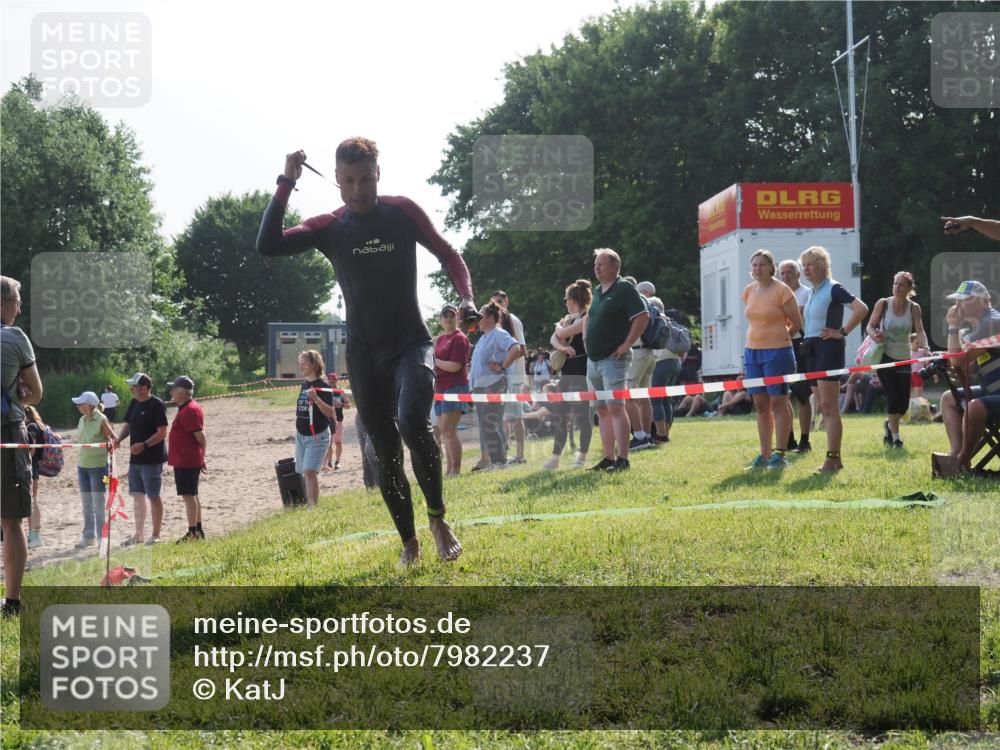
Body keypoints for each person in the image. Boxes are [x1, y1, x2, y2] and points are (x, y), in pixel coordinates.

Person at [257, 137, 472, 565]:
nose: (358, 190)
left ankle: (437, 518)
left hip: (411, 344)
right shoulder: (329, 227)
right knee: (385, 451)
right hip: (364, 355)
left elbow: (449, 254)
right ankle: (409, 541)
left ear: (379, 175)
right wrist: (286, 181)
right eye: (350, 181)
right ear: (337, 178)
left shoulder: (402, 211)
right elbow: (268, 244)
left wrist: (466, 298)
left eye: (366, 179)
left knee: (412, 422)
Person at [799, 246, 869, 473]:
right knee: (822, 405)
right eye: (804, 265)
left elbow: (861, 309)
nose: (806, 269)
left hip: (828, 349)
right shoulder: (812, 292)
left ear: (822, 266)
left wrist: (843, 332)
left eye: (810, 264)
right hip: (811, 349)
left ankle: (833, 459)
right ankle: (833, 458)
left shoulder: (833, 288)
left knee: (829, 407)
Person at [584, 249, 650, 472]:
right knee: (602, 410)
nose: (596, 268)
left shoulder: (624, 288)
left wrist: (626, 344)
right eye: (595, 264)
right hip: (594, 360)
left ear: (615, 266)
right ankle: (608, 458)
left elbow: (642, 317)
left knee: (616, 408)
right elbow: (590, 319)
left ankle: (623, 459)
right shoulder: (597, 291)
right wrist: (586, 339)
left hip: (614, 359)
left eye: (601, 264)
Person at [1, 276, 43, 618]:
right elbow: (37, 393)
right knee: (12, 521)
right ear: (2, 304)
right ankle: (12, 604)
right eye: (16, 301)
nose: (19, 308)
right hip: (6, 432)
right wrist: (20, 395)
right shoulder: (14, 337)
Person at [741, 250, 804, 470]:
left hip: (778, 352)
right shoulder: (749, 291)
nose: (757, 268)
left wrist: (783, 336)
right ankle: (764, 455)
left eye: (762, 264)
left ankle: (780, 454)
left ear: (771, 267)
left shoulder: (782, 290)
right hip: (752, 352)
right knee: (760, 404)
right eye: (754, 265)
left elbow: (796, 322)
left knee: (778, 402)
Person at [936, 281, 1000, 473]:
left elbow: (957, 360)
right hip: (992, 392)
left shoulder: (991, 323)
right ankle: (955, 453)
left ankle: (962, 461)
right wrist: (943, 359)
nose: (957, 305)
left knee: (974, 407)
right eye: (956, 300)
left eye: (962, 300)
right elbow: (970, 367)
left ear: (980, 301)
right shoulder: (984, 325)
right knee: (949, 399)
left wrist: (953, 327)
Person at [865, 271, 927, 449]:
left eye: (901, 285)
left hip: (904, 358)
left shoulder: (914, 308)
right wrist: (874, 334)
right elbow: (870, 326)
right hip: (884, 356)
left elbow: (920, 331)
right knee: (892, 397)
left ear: (909, 288)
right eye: (895, 283)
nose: (897, 287)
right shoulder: (883, 303)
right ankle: (896, 438)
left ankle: (888, 424)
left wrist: (926, 347)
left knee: (903, 405)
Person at [545, 279, 594, 470]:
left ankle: (581, 457)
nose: (565, 302)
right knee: (560, 415)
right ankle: (555, 459)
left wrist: (558, 329)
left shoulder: (587, 316)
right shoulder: (569, 318)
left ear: (573, 300)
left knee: (583, 416)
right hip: (566, 373)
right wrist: (563, 348)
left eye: (566, 299)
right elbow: (554, 338)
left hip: (582, 372)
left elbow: (561, 333)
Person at [468, 302, 523, 470]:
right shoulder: (483, 338)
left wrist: (503, 367)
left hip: (494, 384)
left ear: (491, 318)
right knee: (487, 424)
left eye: (481, 316)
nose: (478, 320)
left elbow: (516, 348)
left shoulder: (499, 333)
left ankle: (499, 462)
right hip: (481, 387)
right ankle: (497, 460)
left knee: (490, 422)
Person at [116, 373, 168, 545]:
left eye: (134, 386)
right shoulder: (134, 402)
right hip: (135, 459)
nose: (131, 389)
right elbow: (128, 425)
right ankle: (138, 534)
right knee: (137, 496)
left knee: (154, 496)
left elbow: (162, 432)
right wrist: (118, 439)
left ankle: (156, 535)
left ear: (145, 388)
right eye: (131, 386)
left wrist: (144, 445)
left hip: (152, 459)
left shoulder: (157, 404)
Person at [71, 391, 117, 549]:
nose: (78, 406)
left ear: (90, 405)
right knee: (86, 504)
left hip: (98, 467)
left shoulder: (101, 419)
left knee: (98, 503)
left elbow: (114, 440)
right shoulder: (81, 419)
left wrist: (109, 449)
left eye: (81, 403)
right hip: (82, 465)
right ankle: (88, 536)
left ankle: (102, 538)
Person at [778, 259, 813, 452]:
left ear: (798, 274)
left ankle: (805, 440)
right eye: (782, 273)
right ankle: (788, 438)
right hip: (781, 345)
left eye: (789, 272)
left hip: (800, 345)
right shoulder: (779, 294)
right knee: (783, 394)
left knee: (802, 394)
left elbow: (794, 317)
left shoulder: (805, 293)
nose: (786, 276)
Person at [167, 376, 207, 542]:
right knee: (193, 494)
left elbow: (201, 437)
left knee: (189, 496)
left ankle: (192, 533)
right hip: (187, 458)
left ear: (182, 393)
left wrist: (202, 457)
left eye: (174, 389)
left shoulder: (189, 410)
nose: (171, 391)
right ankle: (197, 530)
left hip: (187, 460)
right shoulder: (187, 408)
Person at [433, 303, 471, 477]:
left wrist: (435, 361)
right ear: (441, 319)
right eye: (445, 316)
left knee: (449, 429)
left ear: (457, 319)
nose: (449, 319)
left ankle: (455, 470)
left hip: (455, 387)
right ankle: (449, 470)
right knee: (444, 431)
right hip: (440, 388)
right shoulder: (440, 339)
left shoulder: (459, 338)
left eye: (452, 316)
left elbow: (455, 366)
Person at [294, 351, 335, 507]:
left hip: (317, 436)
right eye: (299, 364)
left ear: (313, 364)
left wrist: (316, 399)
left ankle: (313, 507)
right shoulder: (304, 384)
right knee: (303, 472)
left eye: (303, 364)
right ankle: (308, 503)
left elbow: (330, 413)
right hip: (301, 435)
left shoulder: (324, 387)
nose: (300, 367)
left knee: (310, 471)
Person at [491, 291, 527, 465]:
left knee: (516, 417)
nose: (497, 305)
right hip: (502, 377)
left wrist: (504, 366)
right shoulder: (495, 324)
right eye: (493, 303)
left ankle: (520, 456)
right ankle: (505, 453)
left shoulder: (512, 319)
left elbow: (522, 350)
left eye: (499, 301)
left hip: (514, 376)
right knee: (505, 418)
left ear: (507, 301)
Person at [624, 279, 659, 451]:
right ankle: (647, 435)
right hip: (649, 353)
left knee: (629, 395)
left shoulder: (632, 302)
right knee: (644, 397)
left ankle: (639, 436)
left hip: (637, 352)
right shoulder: (646, 301)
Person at [650, 304, 685, 443]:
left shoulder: (656, 321)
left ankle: (661, 434)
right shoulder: (670, 321)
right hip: (675, 362)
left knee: (656, 400)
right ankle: (666, 433)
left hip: (661, 362)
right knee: (666, 399)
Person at [22, 406, 46, 549]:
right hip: (32, 466)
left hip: (30, 466)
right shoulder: (37, 425)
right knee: (32, 500)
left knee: (32, 500)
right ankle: (33, 535)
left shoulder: (31, 427)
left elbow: (32, 450)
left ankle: (35, 536)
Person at [322, 373, 350, 471]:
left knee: (338, 442)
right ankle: (329, 462)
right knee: (329, 443)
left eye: (333, 382)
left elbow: (348, 405)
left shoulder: (341, 391)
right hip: (327, 420)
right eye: (330, 382)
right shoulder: (325, 391)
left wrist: (341, 404)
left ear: (336, 381)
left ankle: (337, 462)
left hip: (338, 420)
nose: (331, 384)